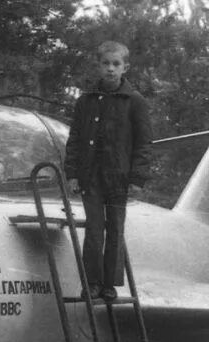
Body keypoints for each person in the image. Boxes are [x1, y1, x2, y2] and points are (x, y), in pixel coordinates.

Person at [64, 41, 153, 302]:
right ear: (98, 66)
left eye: (116, 64)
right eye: (106, 64)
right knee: (93, 230)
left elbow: (144, 142)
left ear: (126, 67)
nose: (111, 69)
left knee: (115, 230)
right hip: (91, 177)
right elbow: (75, 139)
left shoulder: (134, 102)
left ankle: (109, 285)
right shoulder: (86, 101)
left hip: (119, 179)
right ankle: (91, 282)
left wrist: (137, 178)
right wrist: (72, 174)